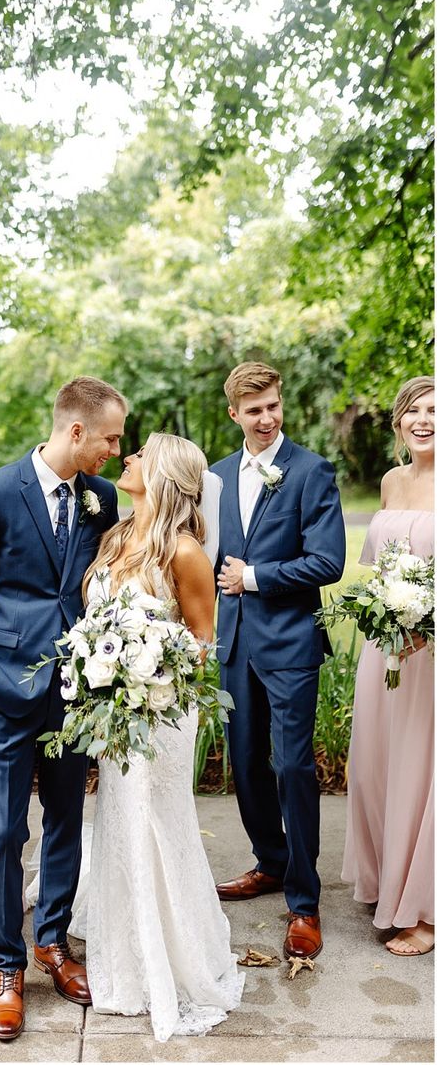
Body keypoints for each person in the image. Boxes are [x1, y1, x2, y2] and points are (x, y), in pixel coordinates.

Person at [0, 376, 126, 1041]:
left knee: (68, 822)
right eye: (108, 437)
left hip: (77, 691)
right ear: (74, 431)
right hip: (1, 691)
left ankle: (52, 944)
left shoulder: (101, 498)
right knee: (1, 832)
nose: (113, 450)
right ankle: (7, 967)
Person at [81, 432, 245, 1042]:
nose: (127, 459)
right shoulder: (117, 538)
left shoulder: (184, 551)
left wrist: (147, 674)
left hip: (163, 714)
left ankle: (175, 960)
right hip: (117, 712)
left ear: (166, 474)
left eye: (141, 454)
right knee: (121, 821)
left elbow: (203, 644)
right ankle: (124, 947)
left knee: (158, 821)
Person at [210, 361, 345, 960]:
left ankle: (305, 902)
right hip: (234, 644)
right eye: (253, 410)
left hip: (290, 644)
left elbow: (328, 562)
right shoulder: (214, 478)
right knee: (245, 763)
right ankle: (270, 860)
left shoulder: (312, 472)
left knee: (292, 766)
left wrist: (255, 576)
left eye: (273, 407)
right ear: (234, 413)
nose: (266, 419)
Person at [342, 375, 434, 956]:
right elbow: (379, 568)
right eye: (415, 412)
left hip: (431, 652)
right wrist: (386, 616)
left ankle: (422, 907)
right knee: (377, 766)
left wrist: (424, 627)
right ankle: (388, 882)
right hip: (385, 649)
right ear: (399, 423)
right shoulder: (391, 481)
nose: (425, 420)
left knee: (423, 772)